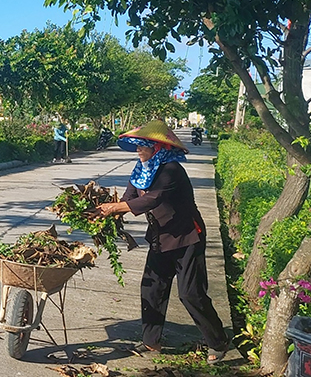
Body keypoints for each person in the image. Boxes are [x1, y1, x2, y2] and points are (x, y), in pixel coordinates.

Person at [93, 120, 229, 364]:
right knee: (152, 288)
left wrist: (115, 207)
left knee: (191, 294)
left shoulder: (171, 170)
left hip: (187, 237)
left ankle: (218, 342)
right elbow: (130, 198)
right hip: (160, 238)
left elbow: (152, 200)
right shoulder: (141, 170)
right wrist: (103, 215)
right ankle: (151, 341)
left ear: (156, 147)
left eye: (142, 146)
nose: (138, 150)